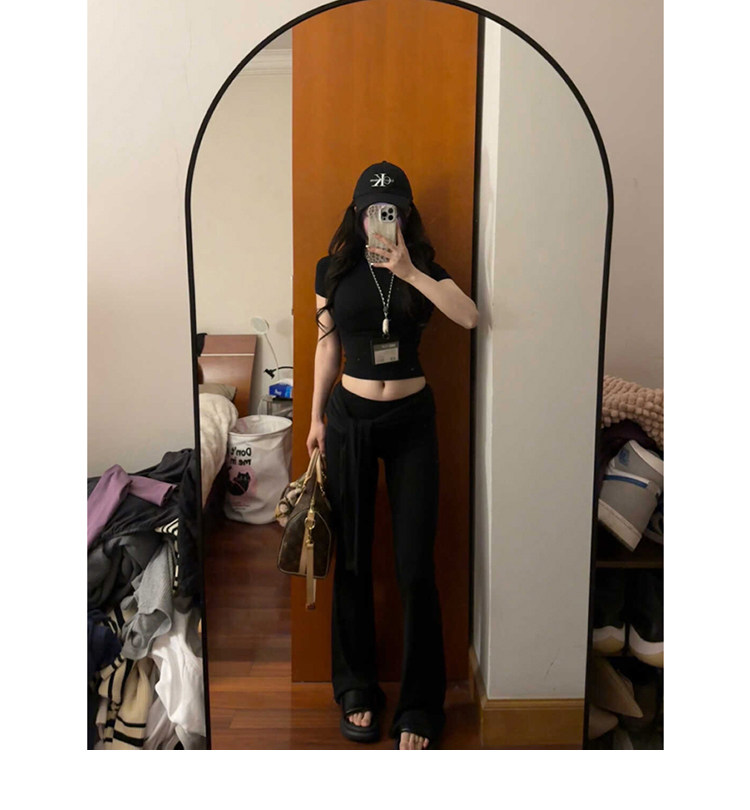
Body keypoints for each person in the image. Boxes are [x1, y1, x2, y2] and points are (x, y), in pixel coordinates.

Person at [306, 161, 478, 750]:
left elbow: (470, 316)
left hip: (412, 424)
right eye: (373, 210)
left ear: (405, 215)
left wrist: (408, 271)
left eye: (394, 210)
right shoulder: (333, 270)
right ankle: (356, 688)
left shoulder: (423, 266)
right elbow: (326, 346)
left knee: (415, 565)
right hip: (350, 421)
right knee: (354, 558)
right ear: (357, 215)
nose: (383, 219)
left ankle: (421, 706)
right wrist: (314, 418)